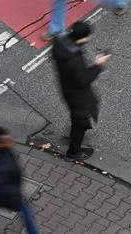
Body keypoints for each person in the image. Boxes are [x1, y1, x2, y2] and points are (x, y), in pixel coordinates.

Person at [52, 21, 108, 161]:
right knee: (80, 122)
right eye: (88, 36)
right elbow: (82, 80)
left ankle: (74, 135)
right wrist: (97, 65)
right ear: (82, 38)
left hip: (67, 88)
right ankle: (73, 152)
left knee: (78, 116)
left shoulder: (60, 43)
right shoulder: (74, 60)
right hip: (77, 95)